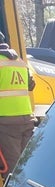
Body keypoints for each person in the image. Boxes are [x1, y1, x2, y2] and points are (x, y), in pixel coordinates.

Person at [0, 31, 36, 176]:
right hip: (27, 120)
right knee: (27, 163)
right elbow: (31, 85)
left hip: (6, 123)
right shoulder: (20, 62)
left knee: (12, 170)